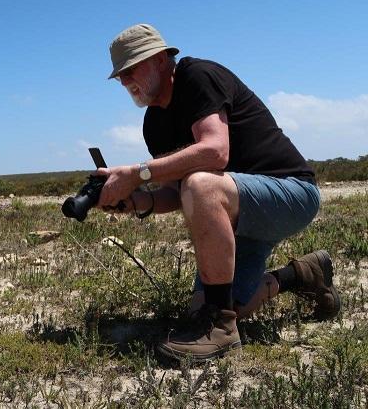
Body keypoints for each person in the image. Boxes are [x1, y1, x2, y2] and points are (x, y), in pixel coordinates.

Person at [96, 23, 341, 362]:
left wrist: (137, 175)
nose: (124, 81)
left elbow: (215, 152)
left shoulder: (197, 76)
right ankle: (302, 274)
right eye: (119, 75)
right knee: (214, 303)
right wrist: (139, 199)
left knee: (202, 183)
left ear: (160, 59)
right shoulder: (153, 122)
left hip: (290, 193)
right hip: (240, 210)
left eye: (130, 69)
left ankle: (222, 332)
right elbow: (175, 193)